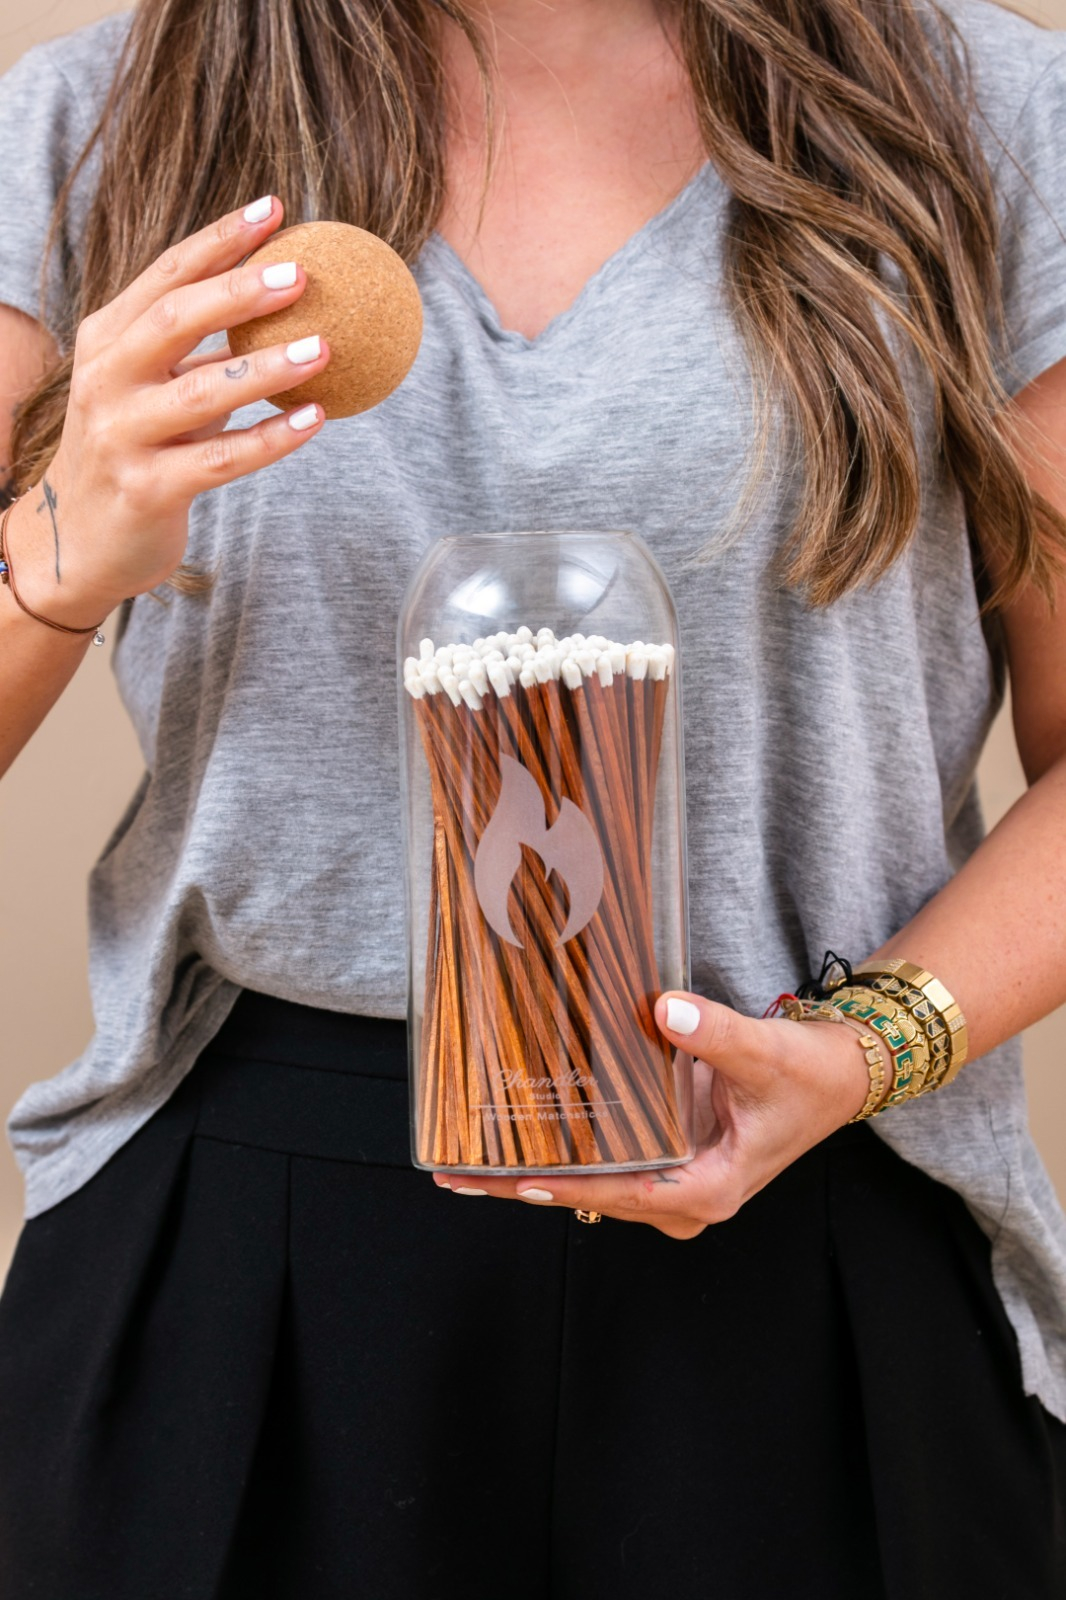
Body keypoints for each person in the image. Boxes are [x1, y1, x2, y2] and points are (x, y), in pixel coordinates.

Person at [0, 0, 1065, 1593]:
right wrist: (59, 556)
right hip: (256, 1227)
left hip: (827, 1176)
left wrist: (868, 1046)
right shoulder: (98, 124)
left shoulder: (987, 110)